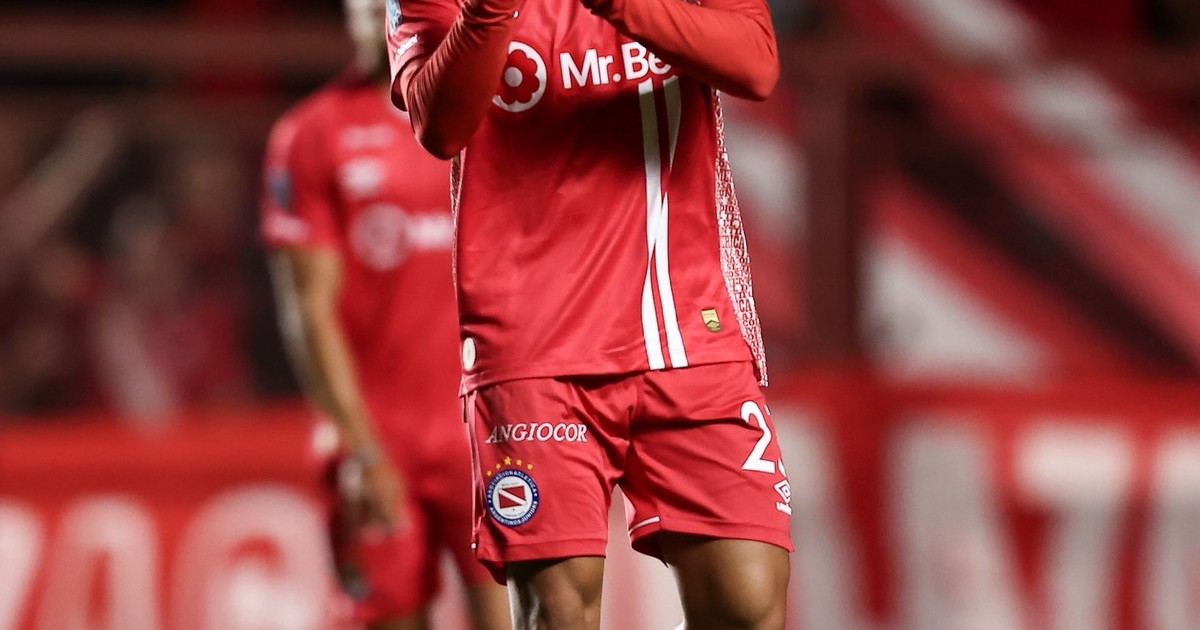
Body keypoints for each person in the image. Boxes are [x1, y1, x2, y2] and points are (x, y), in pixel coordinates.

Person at [386, 0, 793, 627]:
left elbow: (755, 63)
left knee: (749, 607)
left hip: (686, 327)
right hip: (535, 344)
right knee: (559, 614)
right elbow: (439, 124)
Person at [260, 1, 511, 628]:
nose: (381, 12)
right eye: (368, 2)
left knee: (519, 612)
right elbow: (308, 308)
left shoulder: (490, 108)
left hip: (490, 425)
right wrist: (360, 446)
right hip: (381, 434)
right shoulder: (312, 134)